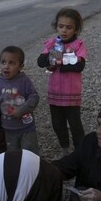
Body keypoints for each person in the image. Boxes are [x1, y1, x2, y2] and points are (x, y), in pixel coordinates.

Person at [37, 8, 88, 159]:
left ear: (76, 29)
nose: (64, 30)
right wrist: (50, 60)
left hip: (71, 94)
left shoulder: (78, 45)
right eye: (61, 26)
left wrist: (60, 63)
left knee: (75, 124)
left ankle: (80, 152)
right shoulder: (52, 43)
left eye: (69, 27)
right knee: (57, 124)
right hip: (55, 93)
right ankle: (65, 149)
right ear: (56, 26)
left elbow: (80, 66)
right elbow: (40, 61)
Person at [0, 46, 40, 154]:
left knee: (29, 154)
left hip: (26, 128)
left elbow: (34, 97)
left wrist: (22, 110)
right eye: (3, 62)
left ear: (20, 67)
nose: (6, 66)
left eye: (12, 63)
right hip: (8, 129)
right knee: (13, 155)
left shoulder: (24, 81)